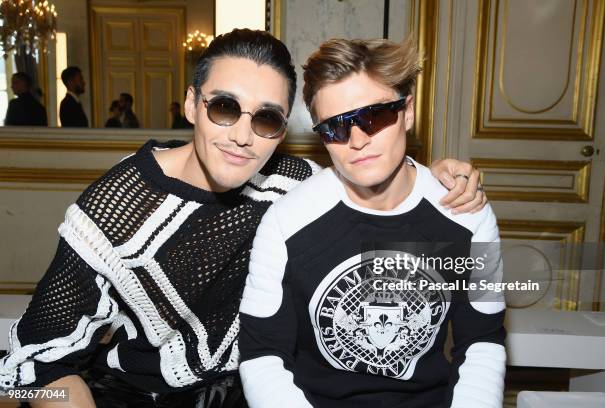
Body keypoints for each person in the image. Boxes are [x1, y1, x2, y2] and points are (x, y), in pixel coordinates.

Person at [0, 30, 486, 408]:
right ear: (192, 104)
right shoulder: (116, 208)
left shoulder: (292, 184)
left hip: (251, 391)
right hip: (137, 393)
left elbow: (370, 171)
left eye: (266, 119)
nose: (242, 137)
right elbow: (41, 362)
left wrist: (436, 176)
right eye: (225, 107)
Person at [239, 37, 506, 408]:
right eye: (335, 127)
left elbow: (481, 341)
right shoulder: (285, 223)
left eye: (375, 116)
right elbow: (263, 354)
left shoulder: (466, 214)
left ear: (407, 112)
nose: (358, 140)